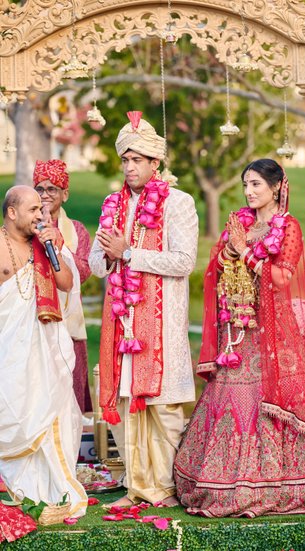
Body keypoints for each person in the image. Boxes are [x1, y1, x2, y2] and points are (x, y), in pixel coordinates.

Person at [174, 158, 305, 517]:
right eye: (246, 185)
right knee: (234, 398)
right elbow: (213, 270)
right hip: (237, 332)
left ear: (277, 186)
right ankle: (222, 483)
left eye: (257, 185)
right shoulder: (238, 224)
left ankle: (288, 483)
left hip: (274, 332)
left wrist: (245, 252)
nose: (249, 192)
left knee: (274, 399)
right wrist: (227, 255)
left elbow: (281, 278)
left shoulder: (289, 227)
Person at [88, 111, 198, 507]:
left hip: (162, 321)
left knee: (163, 406)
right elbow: (97, 265)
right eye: (125, 160)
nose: (130, 167)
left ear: (156, 163)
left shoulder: (178, 203)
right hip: (122, 321)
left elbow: (184, 261)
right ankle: (137, 487)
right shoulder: (112, 204)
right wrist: (107, 253)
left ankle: (168, 487)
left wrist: (130, 253)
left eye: (138, 160)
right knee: (124, 402)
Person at [0, 186, 87, 518]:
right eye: (33, 209)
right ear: (12, 212)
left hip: (47, 346)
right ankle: (18, 487)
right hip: (9, 349)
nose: (40, 215)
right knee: (16, 412)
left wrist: (54, 247)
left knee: (53, 410)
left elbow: (66, 283)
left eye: (41, 209)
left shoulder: (45, 244)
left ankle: (54, 488)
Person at [33, 159, 92, 414]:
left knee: (71, 387)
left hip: (69, 324)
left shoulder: (76, 230)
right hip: (34, 320)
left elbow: (85, 270)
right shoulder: (26, 227)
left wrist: (59, 245)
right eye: (40, 189)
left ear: (64, 194)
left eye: (52, 189)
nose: (45, 195)